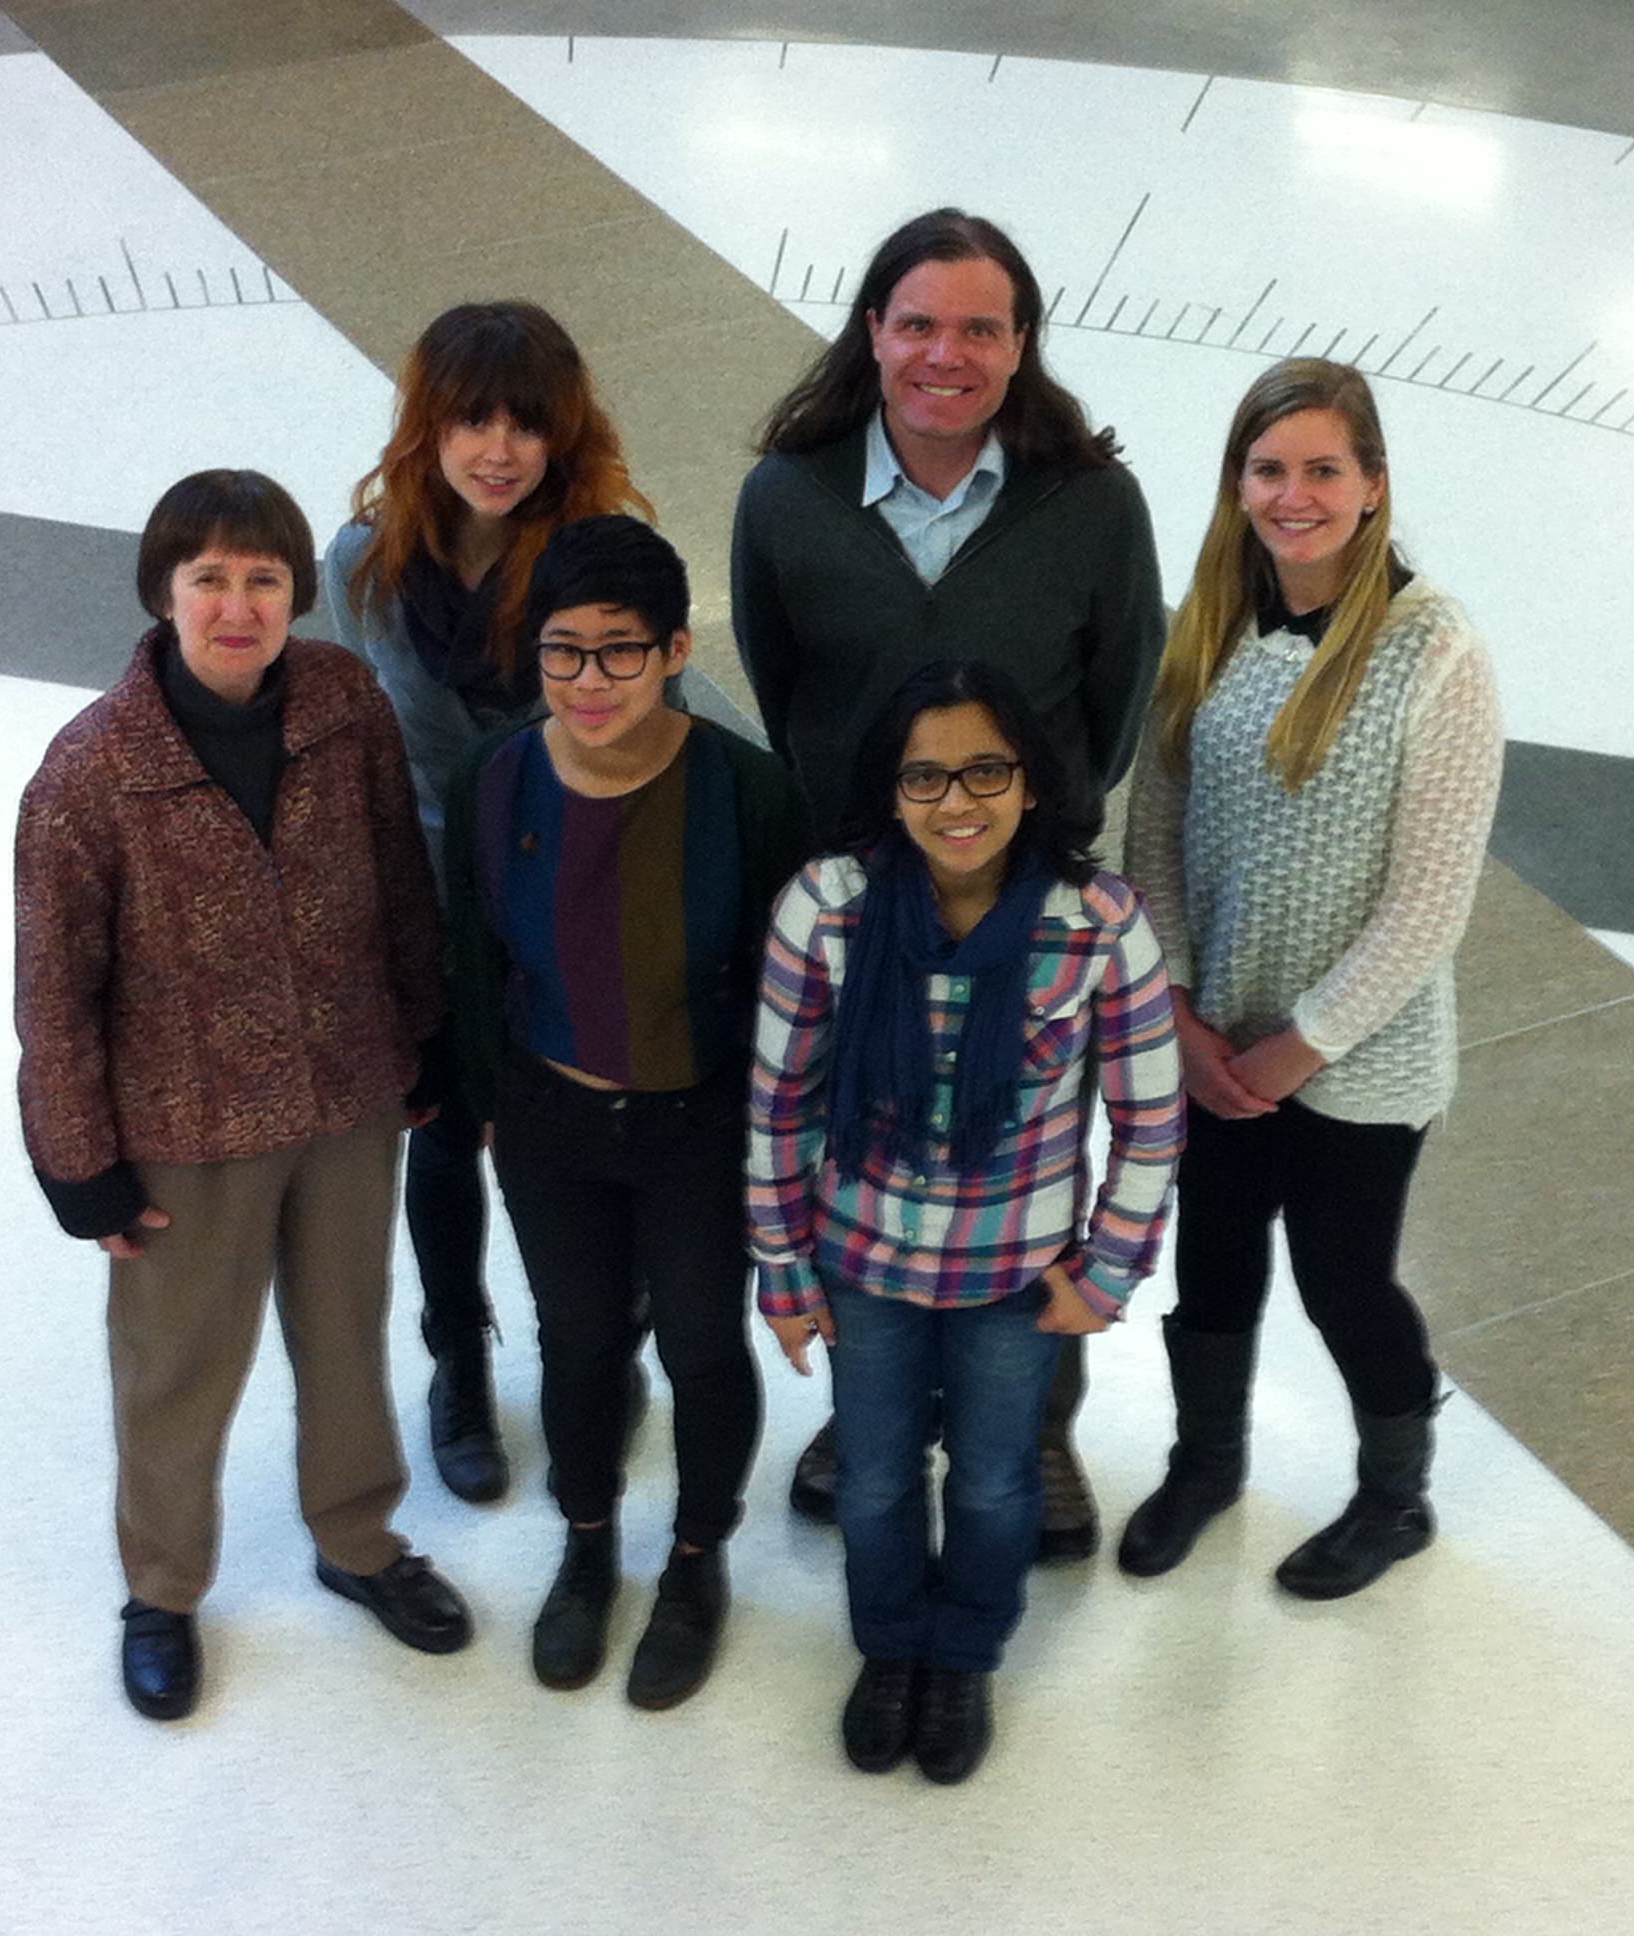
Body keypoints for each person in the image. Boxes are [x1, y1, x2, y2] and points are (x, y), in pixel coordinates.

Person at [730, 206, 1167, 1551]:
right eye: (918, 322)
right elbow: (778, 675)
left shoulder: (1089, 505)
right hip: (860, 904)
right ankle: (871, 1408)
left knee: (1023, 1158)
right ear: (872, 332)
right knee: (866, 1145)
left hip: (1021, 897)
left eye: (982, 327)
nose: (946, 354)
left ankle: (1031, 1430)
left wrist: (1022, 833)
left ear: (1022, 344)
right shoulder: (790, 496)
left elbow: (1113, 704)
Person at [15, 470, 473, 1724]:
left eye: (264, 579)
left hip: (345, 1097)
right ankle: (161, 1589)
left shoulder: (344, 702)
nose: (237, 605)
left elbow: (398, 882)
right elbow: (55, 988)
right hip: (186, 1127)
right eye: (209, 577)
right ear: (164, 592)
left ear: (296, 596)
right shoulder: (91, 772)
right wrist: (77, 1163)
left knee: (347, 1331)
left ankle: (359, 1537)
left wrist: (426, 1037)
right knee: (177, 1364)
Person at [747, 660, 1183, 1783]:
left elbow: (1149, 1116)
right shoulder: (830, 906)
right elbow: (780, 1101)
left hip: (1014, 1279)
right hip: (864, 1266)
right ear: (889, 792)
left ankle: (968, 1650)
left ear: (1033, 780)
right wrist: (785, 1273)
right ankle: (891, 1645)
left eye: (986, 768)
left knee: (995, 1480)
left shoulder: (1095, 921)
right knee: (881, 1475)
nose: (958, 801)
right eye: (925, 776)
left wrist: (1111, 1269)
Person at [1117, 358, 1505, 1600]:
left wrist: (1303, 1046)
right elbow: (1156, 829)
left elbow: (1432, 898)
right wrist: (1177, 1008)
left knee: (1345, 1282)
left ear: (1375, 483)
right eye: (1270, 469)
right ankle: (1207, 1463)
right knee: (1213, 1262)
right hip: (1216, 1036)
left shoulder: (1433, 649)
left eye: (1324, 469)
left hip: (1360, 1060)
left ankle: (1397, 1501)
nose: (1295, 496)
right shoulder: (1216, 617)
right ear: (1238, 484)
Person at [446, 516, 809, 1709]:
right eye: (563, 651)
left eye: (619, 651)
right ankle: (589, 1538)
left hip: (699, 1126)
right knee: (580, 1338)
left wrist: (778, 1147)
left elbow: (786, 986)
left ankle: (698, 1558)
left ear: (674, 651)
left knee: (705, 1345)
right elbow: (471, 960)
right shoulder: (492, 781)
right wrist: (495, 1101)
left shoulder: (750, 792)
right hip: (552, 1122)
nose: (589, 681)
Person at [322, 301, 653, 1505]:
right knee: (446, 1137)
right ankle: (458, 1358)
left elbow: (637, 737)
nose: (499, 449)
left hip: (578, 892)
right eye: (473, 419)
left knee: (589, 1135)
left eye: (526, 423)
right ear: (429, 425)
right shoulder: (360, 562)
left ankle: (609, 1348)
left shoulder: (598, 551)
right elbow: (357, 748)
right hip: (426, 897)